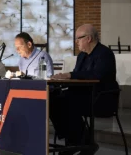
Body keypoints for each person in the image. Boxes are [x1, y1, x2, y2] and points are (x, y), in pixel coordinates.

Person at [50, 24, 119, 155]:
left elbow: (97, 75)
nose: (76, 42)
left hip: (101, 98)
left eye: (78, 38)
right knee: (53, 99)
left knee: (66, 102)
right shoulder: (82, 56)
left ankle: (78, 142)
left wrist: (69, 75)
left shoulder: (105, 53)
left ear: (88, 38)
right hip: (84, 95)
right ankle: (77, 141)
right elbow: (78, 76)